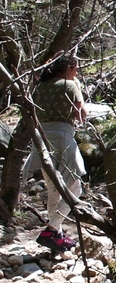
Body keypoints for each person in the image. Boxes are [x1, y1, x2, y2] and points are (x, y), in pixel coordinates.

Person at [23, 53, 87, 252]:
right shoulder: (70, 85)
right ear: (70, 68)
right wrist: (78, 90)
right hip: (63, 136)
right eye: (76, 69)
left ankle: (56, 235)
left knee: (53, 189)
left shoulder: (40, 86)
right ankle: (51, 230)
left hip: (41, 138)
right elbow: (81, 116)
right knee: (75, 186)